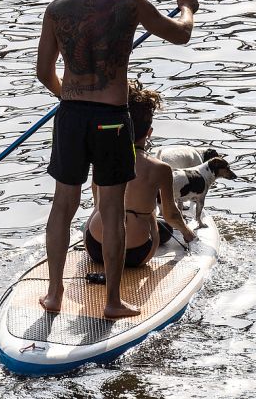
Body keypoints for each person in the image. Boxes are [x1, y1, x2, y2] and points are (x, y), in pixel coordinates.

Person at [35, 0, 199, 319]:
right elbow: (180, 34)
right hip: (111, 118)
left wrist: (70, 97)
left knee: (63, 205)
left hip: (71, 115)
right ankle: (111, 301)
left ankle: (55, 295)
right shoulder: (131, 4)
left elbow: (44, 72)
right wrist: (187, 8)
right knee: (111, 209)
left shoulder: (56, 10)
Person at [84, 81, 197, 269]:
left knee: (102, 207)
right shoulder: (160, 168)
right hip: (137, 253)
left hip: (96, 247)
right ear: (149, 133)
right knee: (157, 219)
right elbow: (170, 214)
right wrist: (188, 234)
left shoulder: (102, 158)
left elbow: (97, 205)